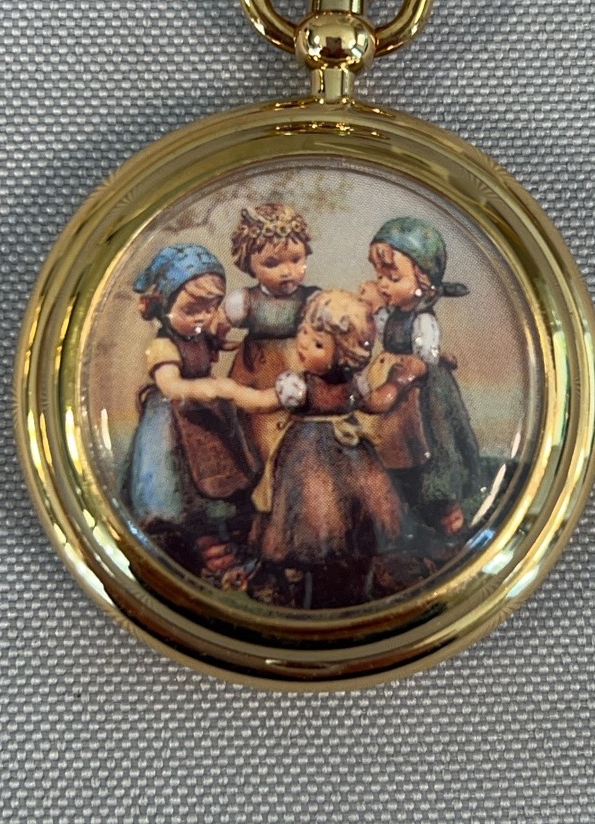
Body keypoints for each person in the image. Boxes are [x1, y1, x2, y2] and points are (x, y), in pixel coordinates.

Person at [250, 289, 426, 608]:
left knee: (372, 498)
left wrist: (400, 381)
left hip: (352, 452)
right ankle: (303, 572)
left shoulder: (354, 384)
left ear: (346, 355)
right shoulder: (297, 386)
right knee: (316, 508)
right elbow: (263, 402)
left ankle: (364, 568)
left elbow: (377, 402)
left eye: (318, 343)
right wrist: (229, 393)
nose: (303, 343)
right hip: (307, 456)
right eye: (303, 331)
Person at [121, 243, 276, 586]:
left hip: (206, 417)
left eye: (210, 308)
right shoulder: (163, 345)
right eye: (191, 310)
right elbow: (171, 386)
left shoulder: (200, 334)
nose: (202, 318)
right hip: (173, 423)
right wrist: (214, 388)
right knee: (180, 484)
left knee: (221, 479)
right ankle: (201, 547)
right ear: (165, 304)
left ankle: (227, 542)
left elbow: (216, 345)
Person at [359, 217, 484, 558]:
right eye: (380, 276)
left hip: (421, 395)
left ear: (424, 283)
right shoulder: (390, 314)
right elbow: (377, 338)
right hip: (391, 383)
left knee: (431, 449)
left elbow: (422, 359)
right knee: (390, 448)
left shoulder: (423, 320)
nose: (383, 285)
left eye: (393, 278)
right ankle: (399, 514)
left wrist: (403, 378)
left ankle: (447, 516)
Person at [223, 203, 319, 501]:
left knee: (299, 433)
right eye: (272, 263)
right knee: (259, 432)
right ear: (249, 263)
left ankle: (298, 491)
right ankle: (264, 494)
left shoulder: (311, 299)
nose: (287, 271)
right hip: (258, 373)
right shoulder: (244, 302)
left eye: (296, 259)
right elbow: (217, 328)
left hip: (299, 365)